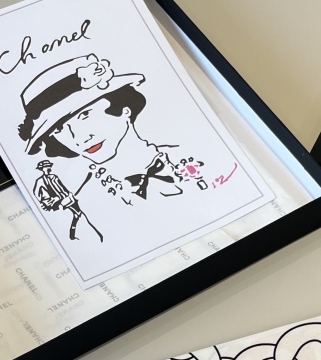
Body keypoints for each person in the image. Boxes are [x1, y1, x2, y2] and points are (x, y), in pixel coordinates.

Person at [18, 53, 208, 242]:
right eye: (59, 129)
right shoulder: (86, 207)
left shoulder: (191, 153)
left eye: (85, 115)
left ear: (124, 108)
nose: (79, 138)